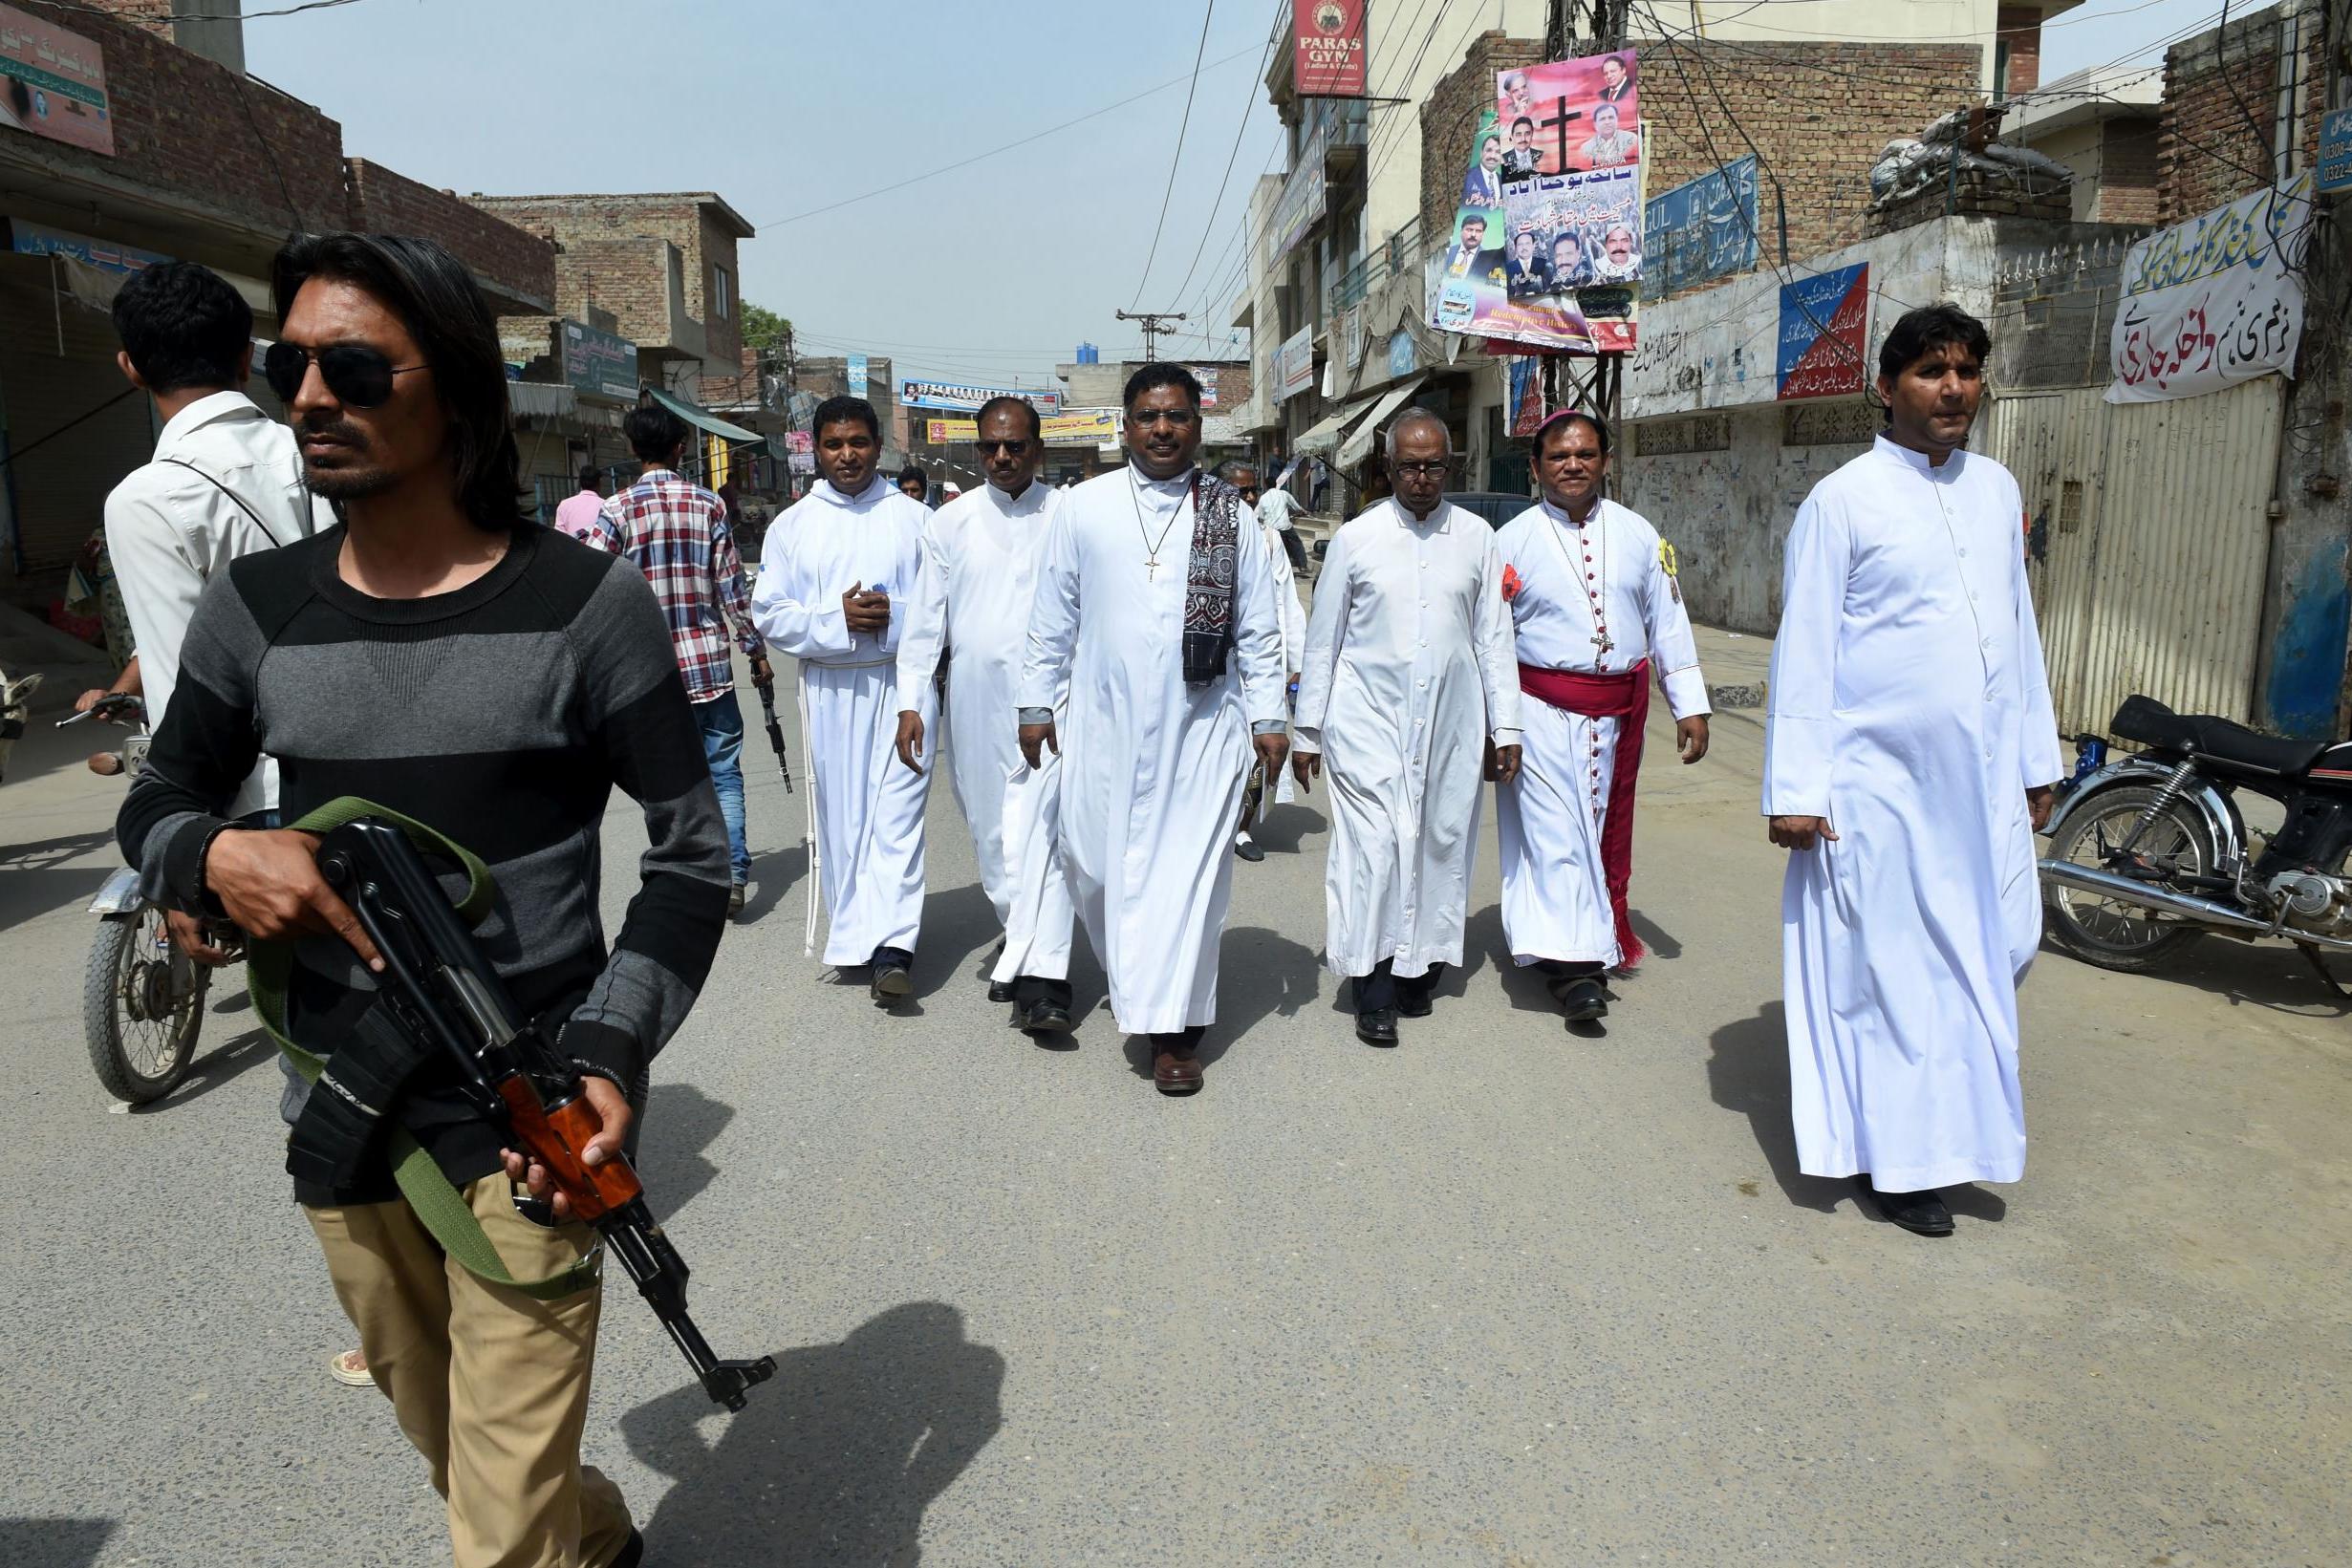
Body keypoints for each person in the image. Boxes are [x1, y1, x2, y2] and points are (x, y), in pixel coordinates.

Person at [119, 231, 731, 1568]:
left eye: (353, 366)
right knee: (458, 1445)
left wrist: (611, 1048)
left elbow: (693, 859)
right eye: (292, 365)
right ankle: (601, 1530)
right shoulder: (256, 608)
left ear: (454, 389)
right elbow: (156, 804)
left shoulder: (589, 606)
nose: (310, 396)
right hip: (342, 1128)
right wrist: (217, 857)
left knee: (494, 1539)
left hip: (530, 1128)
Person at [1765, 304, 2061, 1239]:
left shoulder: (1993, 489)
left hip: (1975, 790)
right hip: (1877, 791)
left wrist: (2033, 758)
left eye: (1967, 371)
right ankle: (1900, 1163)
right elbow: (1804, 648)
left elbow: (2014, 633)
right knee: (1894, 972)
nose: (1954, 389)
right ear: (1885, 387)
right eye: (1933, 371)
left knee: (1988, 953)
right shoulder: (1843, 500)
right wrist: (1796, 790)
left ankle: (1955, 1139)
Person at [1017, 364, 1286, 1095]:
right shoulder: (1082, 507)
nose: (1161, 429)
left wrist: (1268, 715)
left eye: (1175, 416)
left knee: (1188, 882)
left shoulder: (1231, 513)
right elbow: (1051, 617)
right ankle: (1135, 980)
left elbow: (1258, 626)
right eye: (1146, 416)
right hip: (1102, 722)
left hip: (1201, 725)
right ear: (1124, 425)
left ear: (1199, 425)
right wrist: (1035, 703)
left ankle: (1174, 1033)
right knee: (1095, 868)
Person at [1290, 412, 1520, 1046]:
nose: (1422, 478)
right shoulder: (1356, 538)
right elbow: (1323, 641)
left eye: (1434, 465)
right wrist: (1307, 732)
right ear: (1387, 469)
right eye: (1409, 466)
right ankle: (1372, 984)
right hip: (1365, 721)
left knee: (1437, 841)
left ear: (1451, 466)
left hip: (1450, 721)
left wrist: (1507, 729)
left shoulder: (1476, 538)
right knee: (1374, 849)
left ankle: (1416, 966)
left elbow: (1492, 639)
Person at [1494, 411, 1709, 1023]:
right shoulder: (1511, 542)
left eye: (1586, 453)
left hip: (1617, 715)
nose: (1574, 464)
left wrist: (1688, 703)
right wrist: (1496, 725)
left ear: (1606, 462)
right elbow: (1491, 640)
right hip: (1538, 711)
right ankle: (1575, 972)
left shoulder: (1641, 534)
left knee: (1594, 832)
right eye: (1559, 456)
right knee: (1556, 837)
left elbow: (1668, 619)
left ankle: (1579, 943)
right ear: (1536, 468)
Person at [104, 260, 326, 823]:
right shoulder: (327, 451)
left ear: (131, 368)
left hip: (261, 801)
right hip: (374, 767)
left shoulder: (147, 499)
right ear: (247, 358)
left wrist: (192, 845)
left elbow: (183, 679)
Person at [892, 397, 1075, 1033]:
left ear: (1038, 450)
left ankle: (1040, 974)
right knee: (990, 827)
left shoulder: (1070, 515)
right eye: (991, 447)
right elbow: (922, 625)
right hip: (974, 695)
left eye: (1015, 446)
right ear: (977, 450)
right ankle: (1020, 933)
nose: (1002, 457)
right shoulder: (950, 522)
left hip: (1059, 695)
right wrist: (912, 702)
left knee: (1048, 826)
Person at [751, 397, 933, 1001]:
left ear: (878, 446)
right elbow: (770, 614)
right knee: (845, 816)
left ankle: (893, 946)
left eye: (858, 442)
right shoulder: (792, 526)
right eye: (834, 444)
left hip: (903, 682)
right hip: (830, 690)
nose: (847, 455)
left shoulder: (914, 518)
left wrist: (889, 616)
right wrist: (837, 620)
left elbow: (943, 608)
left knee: (899, 816)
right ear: (817, 449)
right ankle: (855, 936)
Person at [585, 405, 769, 914]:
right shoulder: (708, 505)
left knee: (664, 782)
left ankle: (683, 878)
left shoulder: (617, 509)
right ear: (680, 449)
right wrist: (755, 650)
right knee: (724, 771)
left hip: (646, 674)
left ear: (632, 448)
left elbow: (590, 581)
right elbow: (732, 590)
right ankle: (732, 874)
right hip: (708, 666)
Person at [1219, 459, 1304, 864]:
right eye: (1241, 491)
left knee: (1259, 750)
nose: (1250, 498)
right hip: (1215, 667)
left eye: (1253, 490)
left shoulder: (1269, 539)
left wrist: (1296, 663)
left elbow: (1287, 603)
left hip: (1259, 660)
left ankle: (1243, 827)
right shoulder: (1201, 534)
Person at [1253, 461, 1311, 572]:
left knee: (1270, 549)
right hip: (1285, 527)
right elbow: (1296, 507)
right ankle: (1302, 565)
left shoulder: (1263, 498)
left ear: (1265, 485)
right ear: (1276, 484)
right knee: (1297, 543)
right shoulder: (1284, 494)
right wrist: (1303, 511)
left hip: (1271, 529)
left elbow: (1259, 516)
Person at [1578, 103, 1640, 168]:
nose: (1607, 122)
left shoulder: (1631, 139)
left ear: (1617, 119)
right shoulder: (1586, 148)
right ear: (1595, 124)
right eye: (1602, 119)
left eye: (1611, 117)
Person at [553, 465, 605, 540]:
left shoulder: (564, 505)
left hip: (572, 550)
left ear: (580, 482)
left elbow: (559, 537)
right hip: (599, 550)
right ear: (599, 483)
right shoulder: (606, 506)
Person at [1505, 230, 1552, 300]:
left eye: (1527, 243)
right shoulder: (1508, 269)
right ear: (1515, 248)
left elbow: (1549, 291)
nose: (1524, 247)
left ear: (1533, 246)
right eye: (1520, 244)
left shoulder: (1545, 265)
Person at [1463, 134, 1505, 207]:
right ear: (1481, 153)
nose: (1493, 156)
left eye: (1498, 152)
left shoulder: (1502, 180)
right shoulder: (1468, 177)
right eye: (1489, 150)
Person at [1444, 214, 1491, 278]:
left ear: (1483, 234)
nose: (1473, 235)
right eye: (1469, 230)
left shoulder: (1488, 259)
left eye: (1478, 231)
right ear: (1461, 231)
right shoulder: (1448, 252)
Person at [1500, 116, 1543, 182]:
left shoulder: (1542, 156)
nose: (1523, 139)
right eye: (1518, 134)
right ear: (1512, 137)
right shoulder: (1503, 158)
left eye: (1527, 134)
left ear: (1532, 135)